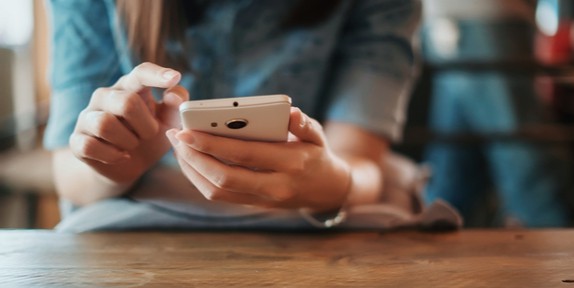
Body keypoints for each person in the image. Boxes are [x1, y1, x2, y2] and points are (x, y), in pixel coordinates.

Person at [44, 0, 423, 232]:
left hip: (303, 231)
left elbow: (362, 163)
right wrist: (114, 164)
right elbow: (70, 176)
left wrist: (329, 182)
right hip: (133, 238)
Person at [421, 0, 569, 227]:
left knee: (455, 176)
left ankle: (560, 255)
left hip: (464, 20)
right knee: (521, 161)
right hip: (478, 18)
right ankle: (560, 253)